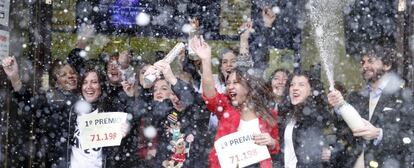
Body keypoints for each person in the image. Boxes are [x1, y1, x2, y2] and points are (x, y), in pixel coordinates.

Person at [191, 36, 279, 168]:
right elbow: (209, 94)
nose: (230, 86)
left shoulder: (268, 114)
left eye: (235, 82)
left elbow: (276, 146)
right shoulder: (226, 108)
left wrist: (271, 142)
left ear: (248, 86)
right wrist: (206, 59)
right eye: (228, 83)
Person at [327, 45, 412, 167]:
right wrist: (338, 105)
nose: (365, 66)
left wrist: (379, 134)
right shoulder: (355, 97)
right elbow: (341, 128)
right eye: (363, 62)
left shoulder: (404, 97)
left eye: (370, 61)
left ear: (386, 65)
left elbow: (409, 136)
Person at [277, 70, 334, 167]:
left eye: (301, 85)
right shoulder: (288, 116)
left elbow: (334, 142)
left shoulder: (316, 117)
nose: (295, 88)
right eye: (292, 84)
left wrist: (331, 152)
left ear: (311, 91)